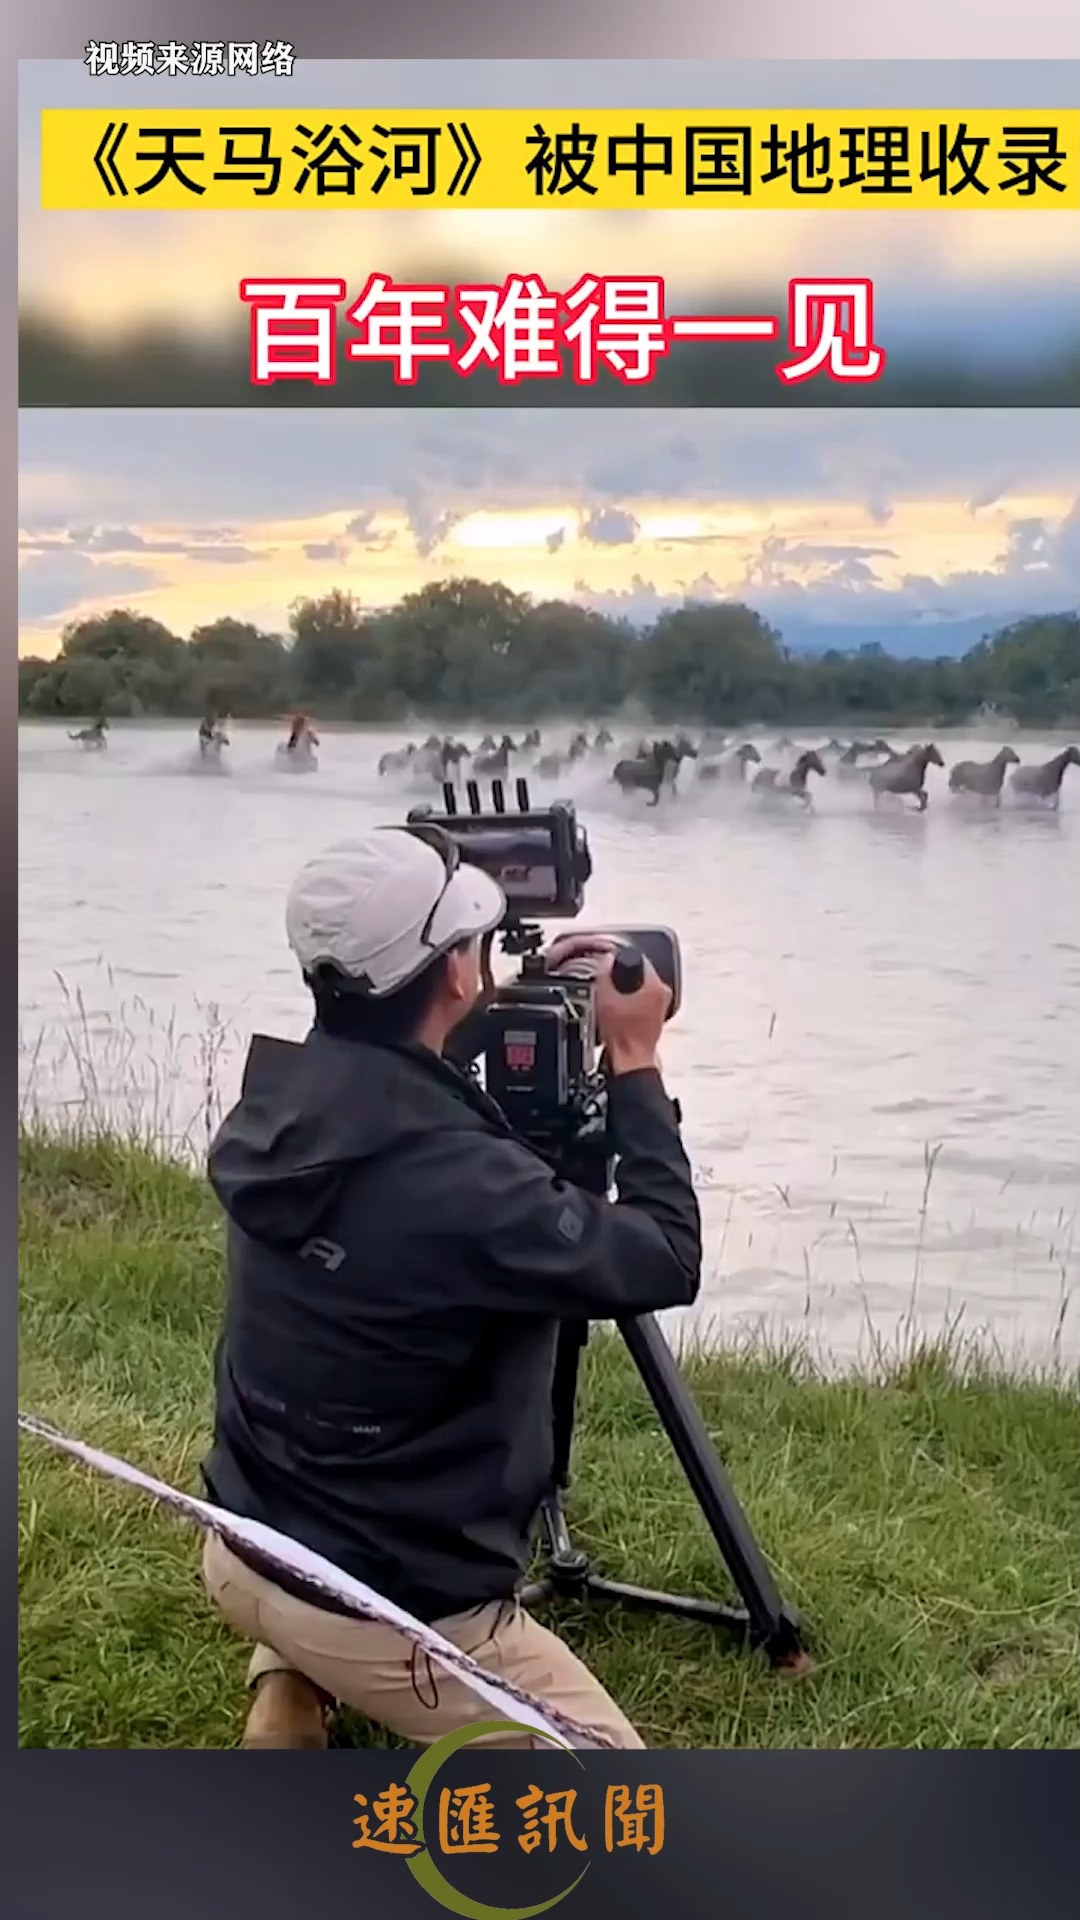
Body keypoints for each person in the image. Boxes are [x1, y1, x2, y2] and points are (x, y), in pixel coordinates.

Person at [200, 824, 701, 1749]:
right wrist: (635, 1062)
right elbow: (665, 1257)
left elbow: (398, 1066)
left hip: (241, 1547)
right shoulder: (470, 1191)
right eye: (472, 949)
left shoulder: (273, 1105)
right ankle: (327, 1662)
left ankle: (287, 1678)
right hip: (382, 1606)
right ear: (460, 974)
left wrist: (488, 998)